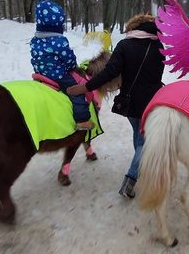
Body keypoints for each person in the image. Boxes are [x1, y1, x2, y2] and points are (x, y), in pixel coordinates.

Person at [67, 14, 166, 199]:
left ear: (134, 28)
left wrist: (86, 87)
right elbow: (157, 75)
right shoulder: (159, 47)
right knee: (143, 141)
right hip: (153, 101)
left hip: (130, 102)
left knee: (139, 137)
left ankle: (140, 165)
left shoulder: (124, 46)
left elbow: (109, 73)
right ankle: (131, 179)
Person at [30, 0, 93, 131]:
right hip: (58, 75)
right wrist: (72, 66)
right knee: (77, 91)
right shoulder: (59, 41)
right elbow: (68, 58)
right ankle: (82, 121)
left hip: (39, 73)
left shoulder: (35, 40)